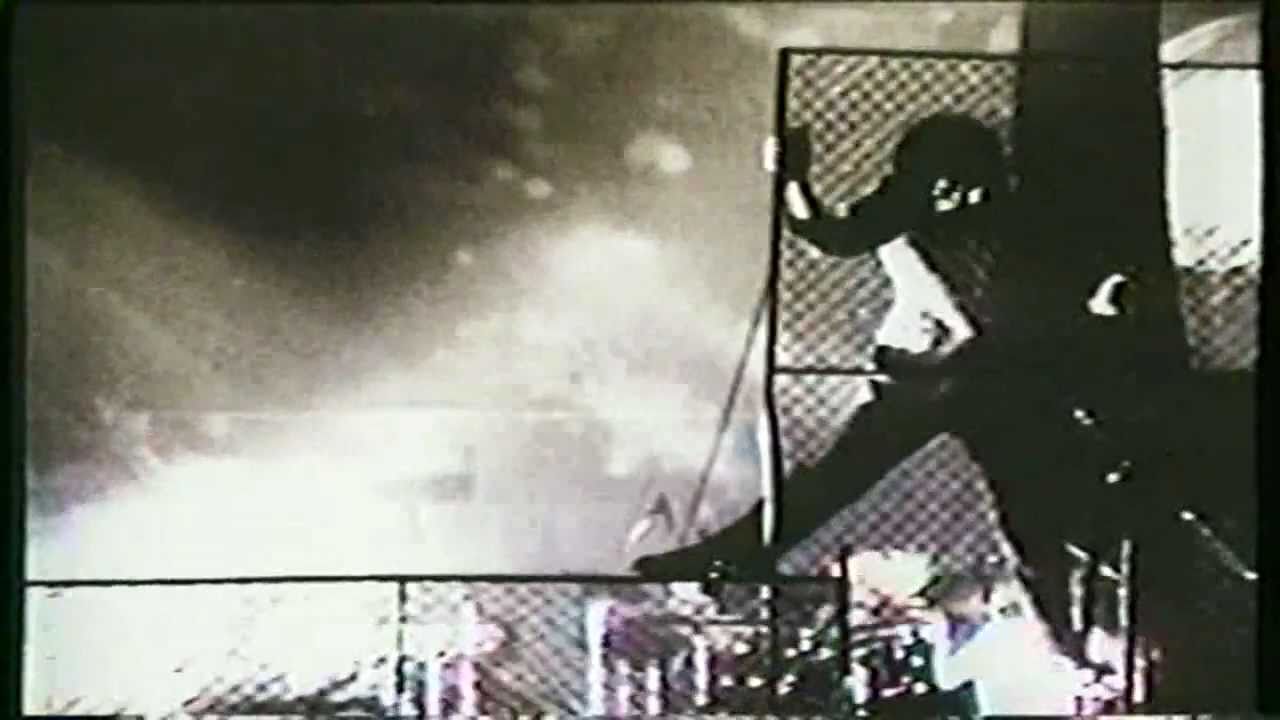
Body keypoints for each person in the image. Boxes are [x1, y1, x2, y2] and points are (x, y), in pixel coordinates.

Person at [633, 113, 1120, 666]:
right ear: (920, 178)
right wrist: (793, 181)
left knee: (1028, 516)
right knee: (834, 482)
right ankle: (718, 559)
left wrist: (1098, 301)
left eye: (969, 182)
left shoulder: (1013, 219)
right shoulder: (900, 216)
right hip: (920, 377)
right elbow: (833, 236)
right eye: (944, 182)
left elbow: (1054, 291)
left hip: (991, 382)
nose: (959, 195)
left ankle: (1065, 639)